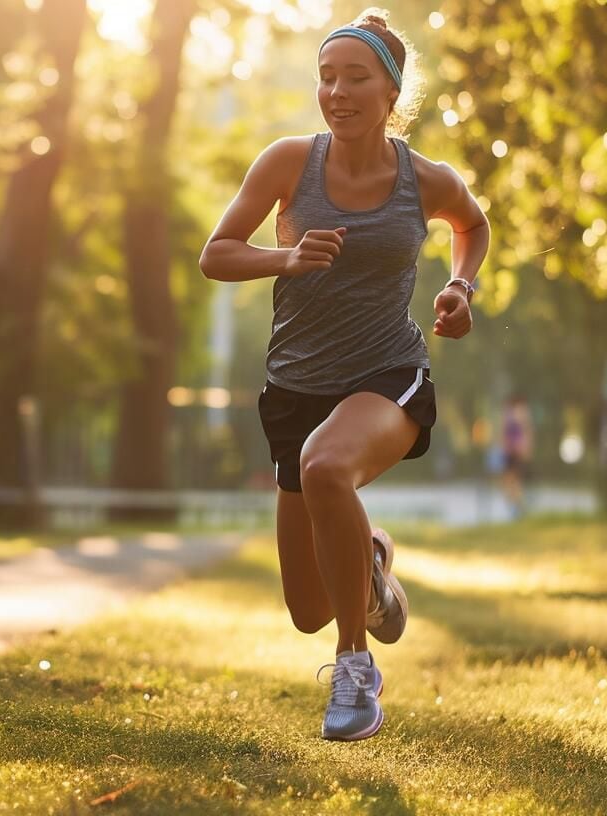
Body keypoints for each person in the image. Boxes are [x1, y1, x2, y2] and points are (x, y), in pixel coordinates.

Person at [199, 8, 489, 742]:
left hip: (387, 375)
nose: (337, 91)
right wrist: (285, 258)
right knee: (307, 606)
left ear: (389, 92)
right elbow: (217, 253)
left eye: (354, 77)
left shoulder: (423, 179)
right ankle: (373, 567)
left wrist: (461, 289)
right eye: (326, 77)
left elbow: (473, 225)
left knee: (325, 466)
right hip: (294, 387)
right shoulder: (289, 163)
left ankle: (356, 676)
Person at [500, 395, 534, 517]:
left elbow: (526, 431)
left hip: (516, 451)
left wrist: (526, 448)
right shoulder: (510, 413)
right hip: (511, 451)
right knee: (510, 481)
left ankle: (519, 508)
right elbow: (504, 432)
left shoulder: (519, 412)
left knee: (514, 481)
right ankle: (518, 507)